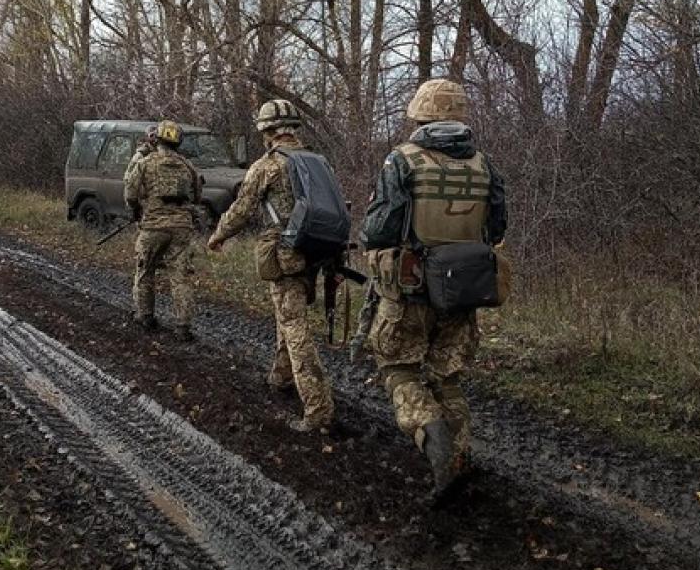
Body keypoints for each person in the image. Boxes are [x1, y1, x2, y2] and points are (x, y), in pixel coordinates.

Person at [359, 79, 507, 497]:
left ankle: (432, 433)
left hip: (411, 288)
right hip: (464, 289)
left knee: (398, 367)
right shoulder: (484, 165)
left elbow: (379, 228)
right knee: (448, 376)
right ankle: (458, 456)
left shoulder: (402, 161)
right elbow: (497, 227)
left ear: (421, 117)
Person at [207, 100, 335, 432]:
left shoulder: (267, 166)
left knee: (294, 326)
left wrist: (218, 236)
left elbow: (241, 208)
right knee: (287, 314)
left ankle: (318, 408)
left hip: (284, 250)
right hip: (314, 252)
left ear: (266, 131)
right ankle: (281, 376)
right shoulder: (318, 161)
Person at [124, 120, 202, 339]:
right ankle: (182, 327)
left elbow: (130, 193)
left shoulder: (145, 163)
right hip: (182, 228)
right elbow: (197, 196)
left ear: (156, 139)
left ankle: (145, 316)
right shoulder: (188, 166)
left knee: (145, 271)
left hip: (153, 227)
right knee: (181, 277)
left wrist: (137, 210)